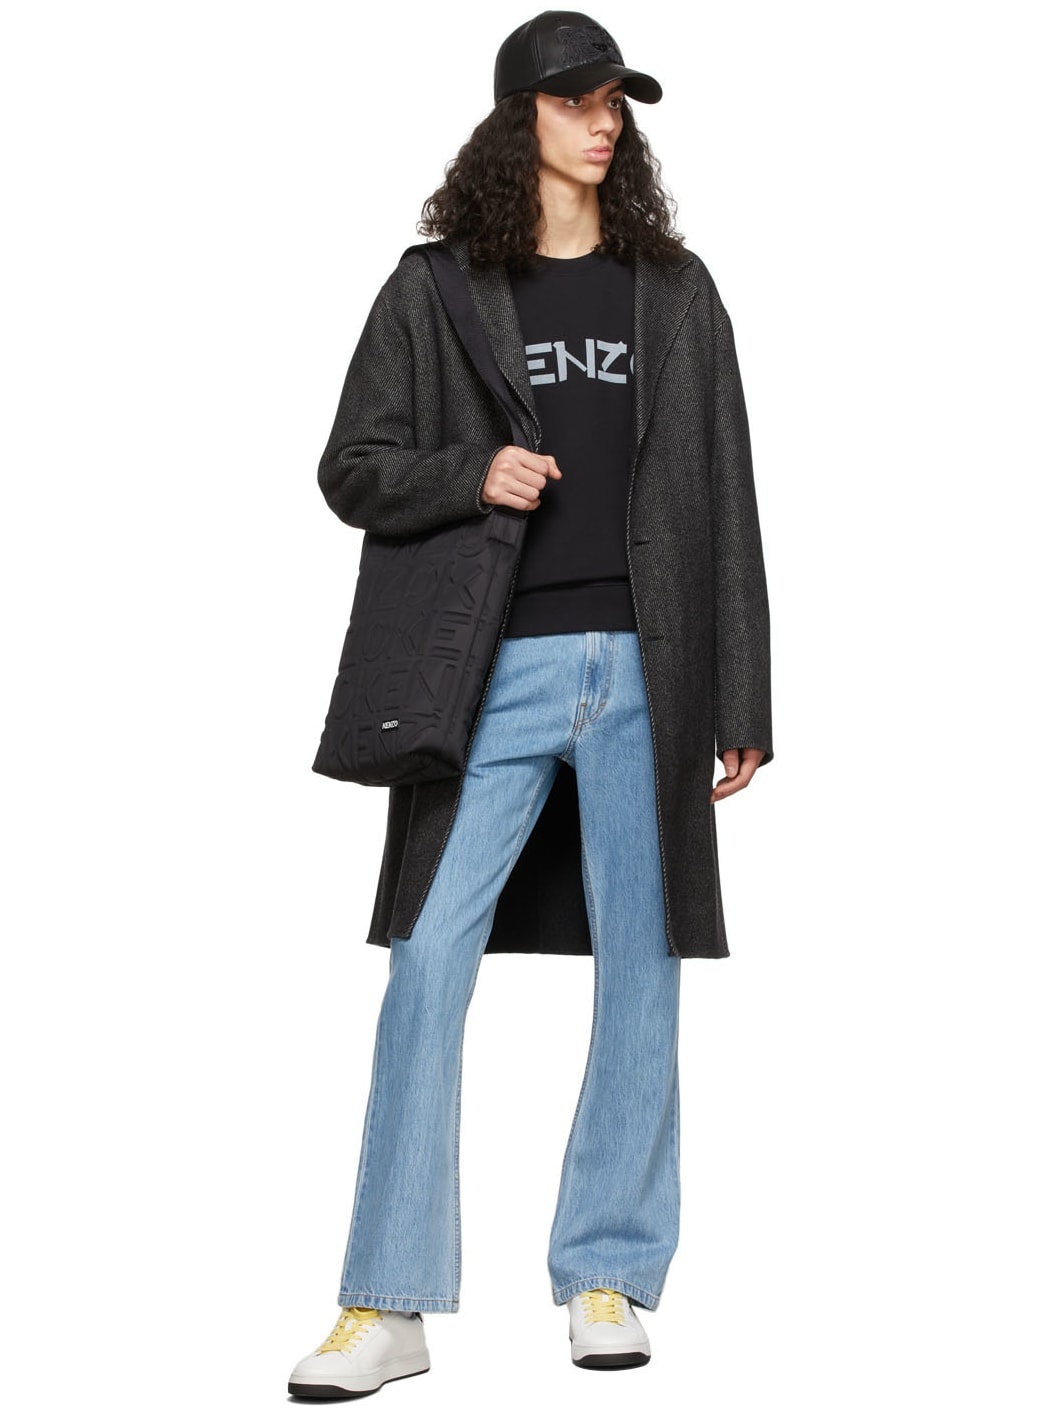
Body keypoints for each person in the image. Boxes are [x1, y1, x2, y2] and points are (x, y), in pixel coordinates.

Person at [289, 9, 773, 1399]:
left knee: (642, 965)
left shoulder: (674, 290)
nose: (604, 122)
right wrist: (472, 473)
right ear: (521, 122)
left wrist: (743, 691)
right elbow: (352, 466)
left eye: (617, 102)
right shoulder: (437, 287)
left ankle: (607, 1273)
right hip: (491, 668)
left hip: (652, 672)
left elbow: (727, 494)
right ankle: (386, 1305)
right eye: (576, 101)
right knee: (427, 964)